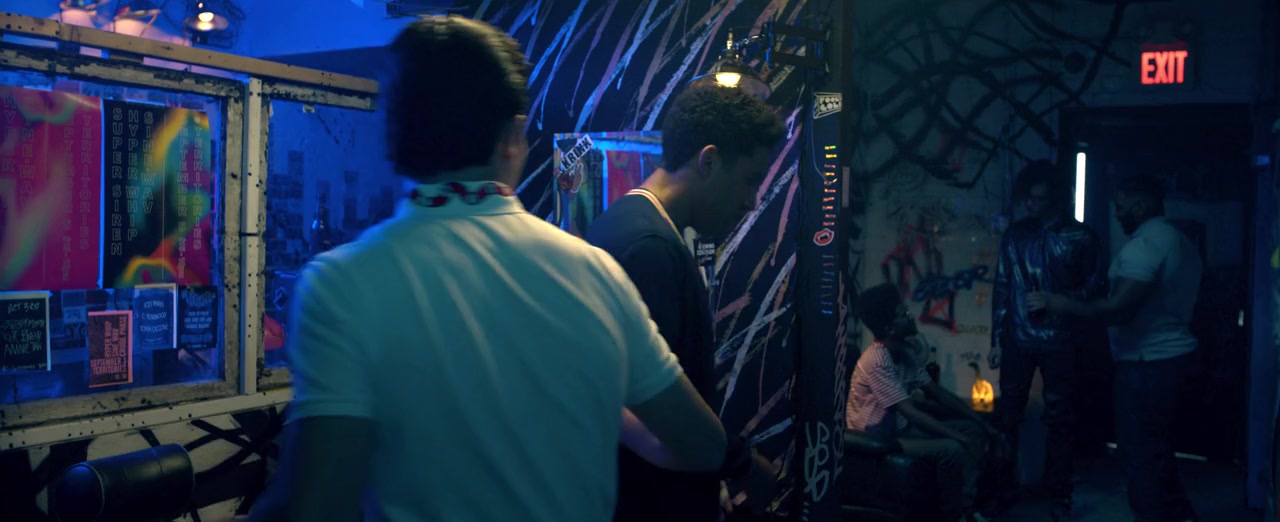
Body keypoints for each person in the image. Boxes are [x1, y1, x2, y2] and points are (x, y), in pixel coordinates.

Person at [249, 16, 735, 522]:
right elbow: (704, 445)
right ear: (513, 135)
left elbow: (318, 505)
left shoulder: (341, 285)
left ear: (390, 138)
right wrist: (599, 404)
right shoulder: (595, 274)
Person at [585, 84, 785, 522]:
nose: (751, 203)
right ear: (708, 161)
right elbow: (655, 407)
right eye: (750, 180)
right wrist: (739, 465)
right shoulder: (649, 247)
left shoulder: (625, 226)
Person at [1028, 175, 1203, 522]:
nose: (1117, 214)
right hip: (1170, 359)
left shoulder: (1147, 244)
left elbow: (1118, 309)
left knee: (1140, 456)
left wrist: (1059, 303)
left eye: (1121, 207)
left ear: (1141, 204)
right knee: (1158, 450)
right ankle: (1180, 515)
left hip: (1148, 364)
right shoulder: (1179, 240)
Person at [987, 160, 1106, 520]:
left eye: (1037, 198)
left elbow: (1096, 288)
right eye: (1028, 198)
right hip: (1019, 337)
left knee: (1061, 419)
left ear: (1055, 197)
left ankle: (1059, 495)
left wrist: (1059, 301)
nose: (1030, 204)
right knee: (1008, 416)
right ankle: (1001, 490)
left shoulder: (1081, 237)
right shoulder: (1016, 235)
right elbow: (1002, 286)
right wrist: (996, 339)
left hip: (1061, 339)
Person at [846, 284, 996, 522]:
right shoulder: (876, 360)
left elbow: (937, 392)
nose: (910, 315)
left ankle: (967, 508)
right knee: (952, 449)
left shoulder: (904, 353)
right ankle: (954, 516)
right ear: (889, 329)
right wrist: (960, 439)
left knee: (972, 431)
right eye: (902, 314)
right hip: (879, 437)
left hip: (901, 428)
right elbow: (910, 411)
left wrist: (978, 420)